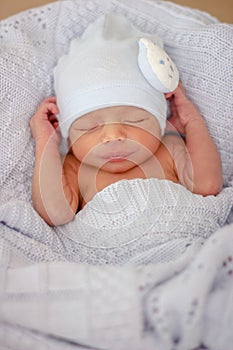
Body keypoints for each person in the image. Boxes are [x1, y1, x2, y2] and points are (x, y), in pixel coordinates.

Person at [30, 13, 222, 226]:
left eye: (134, 121)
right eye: (90, 127)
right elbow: (53, 215)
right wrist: (46, 142)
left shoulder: (168, 147)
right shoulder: (76, 167)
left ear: (160, 124)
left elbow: (207, 186)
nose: (113, 136)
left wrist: (191, 121)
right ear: (70, 137)